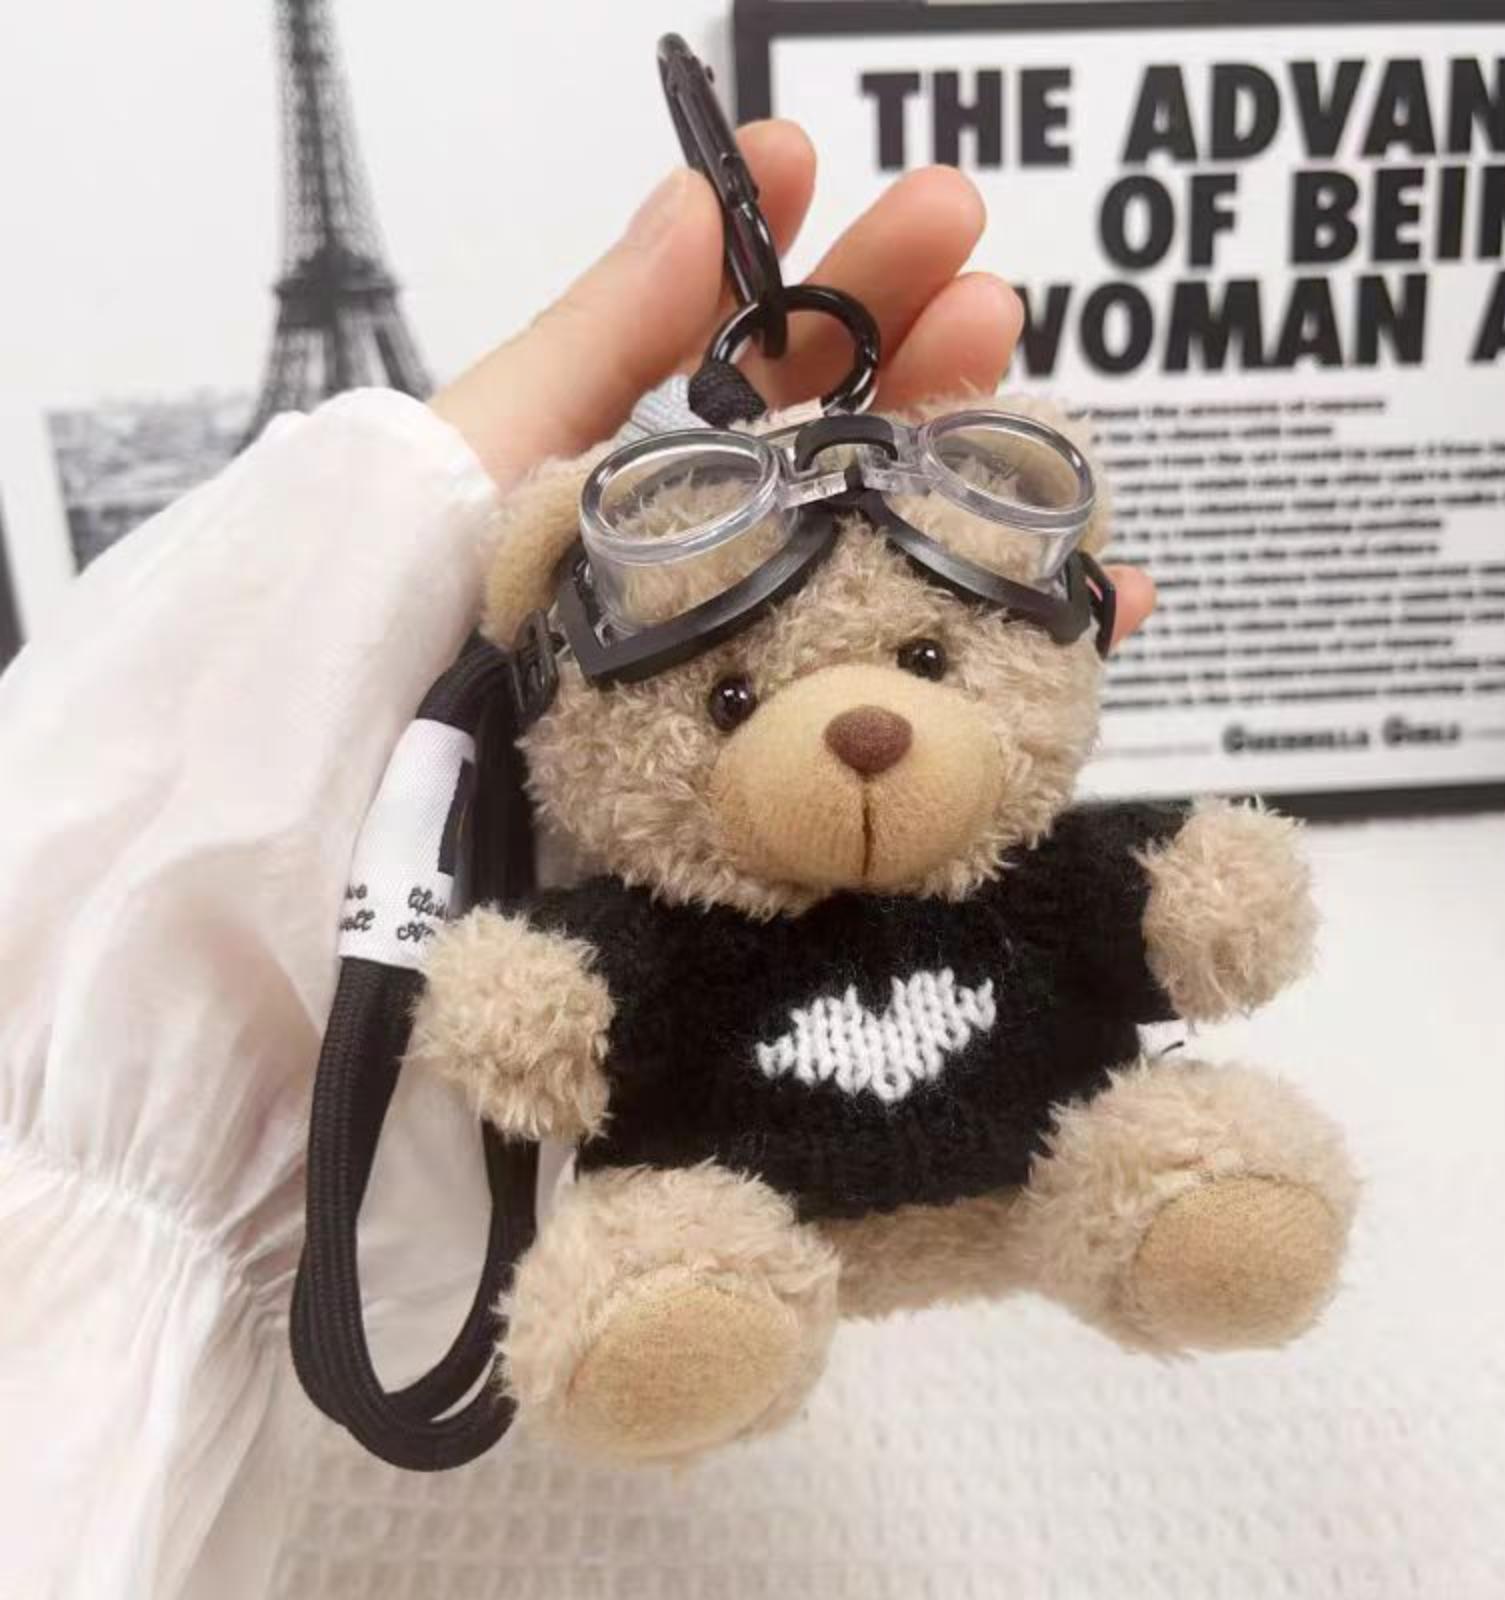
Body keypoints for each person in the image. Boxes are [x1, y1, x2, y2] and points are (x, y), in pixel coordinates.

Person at [0, 122, 1154, 1600]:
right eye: (730, 697)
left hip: (1031, 1165)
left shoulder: (1026, 883)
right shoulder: (641, 932)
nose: (867, 731)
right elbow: (522, 1012)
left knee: (1156, 1156)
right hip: (724, 1186)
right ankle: (690, 1303)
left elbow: (1193, 903)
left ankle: (1163, 1206)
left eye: (929, 659)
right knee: (657, 1259)